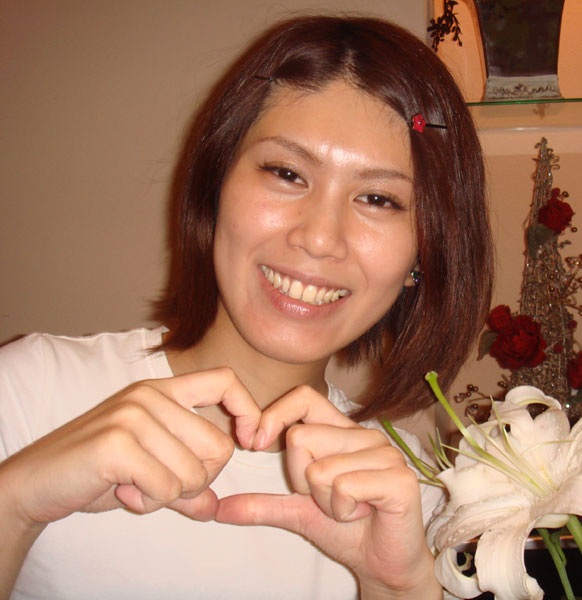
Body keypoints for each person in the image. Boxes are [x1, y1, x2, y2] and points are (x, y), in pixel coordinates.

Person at [0, 14, 493, 600]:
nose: (319, 237)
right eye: (286, 173)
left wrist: (396, 586)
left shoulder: (420, 498)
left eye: (379, 199)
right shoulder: (28, 396)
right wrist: (14, 503)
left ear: (424, 253)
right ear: (215, 187)